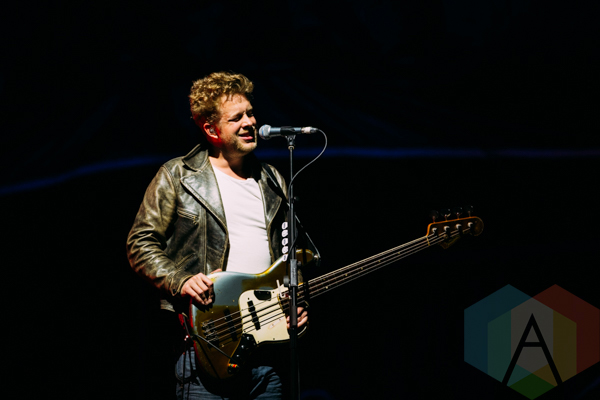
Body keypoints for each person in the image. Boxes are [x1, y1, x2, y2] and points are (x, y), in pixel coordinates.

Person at [126, 71, 308, 399]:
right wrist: (180, 280)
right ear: (211, 129)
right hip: (207, 346)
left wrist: (295, 304)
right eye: (236, 117)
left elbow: (291, 256)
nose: (250, 122)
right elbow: (140, 243)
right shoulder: (177, 176)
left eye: (250, 113)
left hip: (266, 354)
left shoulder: (272, 180)